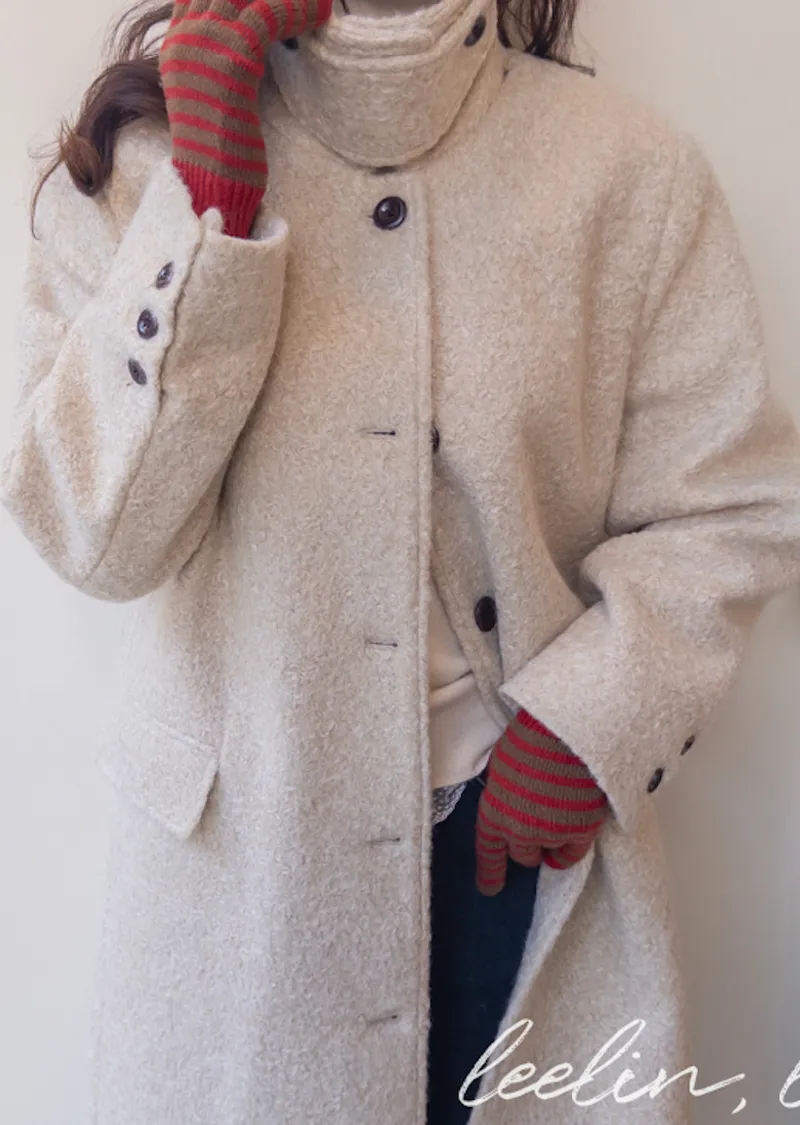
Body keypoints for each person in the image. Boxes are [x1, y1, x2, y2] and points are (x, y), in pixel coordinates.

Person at [2, 0, 800, 1121]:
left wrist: (594, 718)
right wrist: (211, 205)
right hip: (243, 892)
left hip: (522, 854)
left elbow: (730, 501)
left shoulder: (626, 170)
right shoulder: (143, 167)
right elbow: (97, 538)